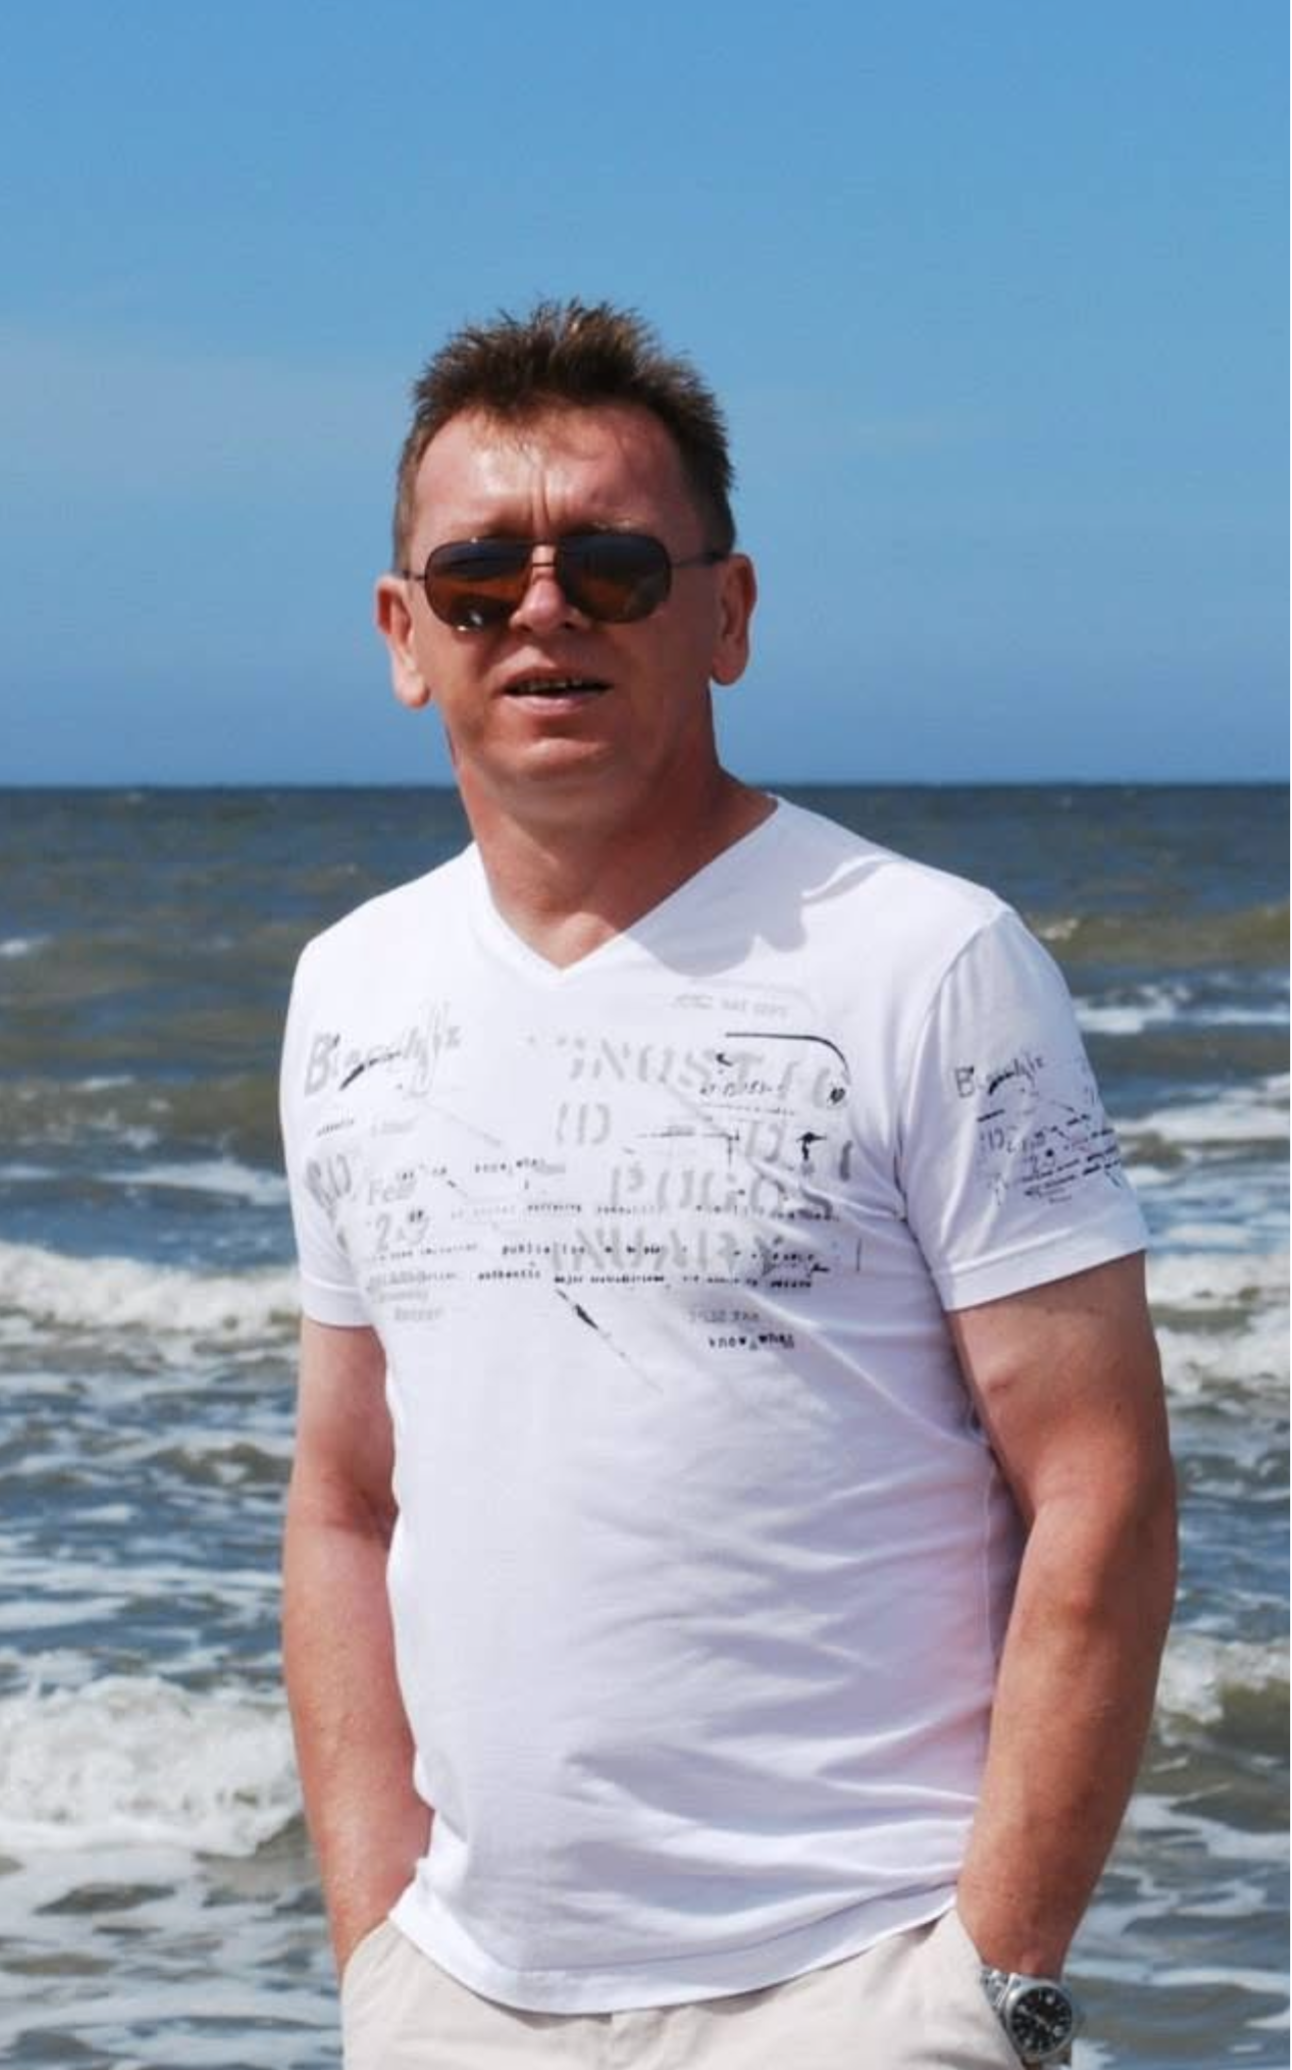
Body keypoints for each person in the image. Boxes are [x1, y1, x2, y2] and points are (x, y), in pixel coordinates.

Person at [279, 299, 1176, 2069]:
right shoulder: (350, 989)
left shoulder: (931, 962)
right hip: (459, 2000)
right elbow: (346, 1494)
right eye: (480, 576)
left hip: (855, 1983)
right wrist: (379, 1951)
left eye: (613, 566)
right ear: (406, 633)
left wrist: (988, 1983)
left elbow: (1104, 1484)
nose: (544, 611)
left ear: (728, 612)